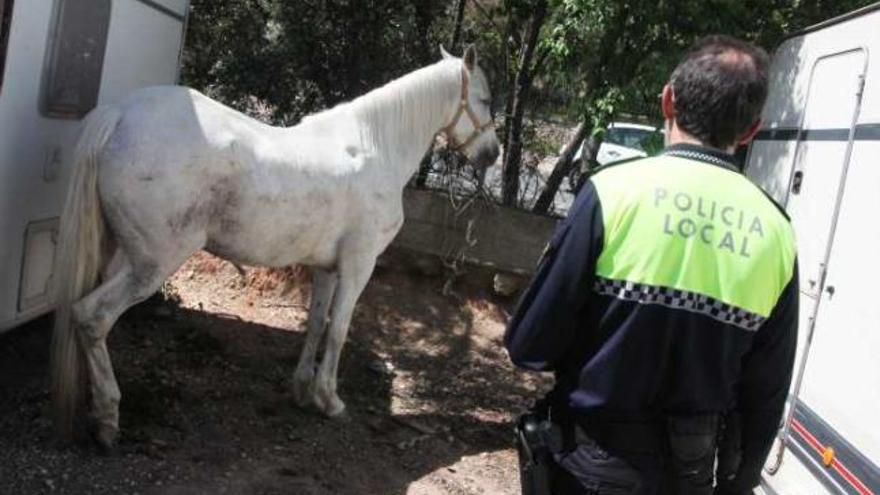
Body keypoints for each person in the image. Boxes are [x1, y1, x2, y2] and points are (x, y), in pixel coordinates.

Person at [505, 35, 798, 495]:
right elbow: (766, 392)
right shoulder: (777, 231)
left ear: (667, 101)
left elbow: (529, 344)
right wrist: (738, 483)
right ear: (750, 131)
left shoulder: (612, 192)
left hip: (589, 467)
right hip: (691, 476)